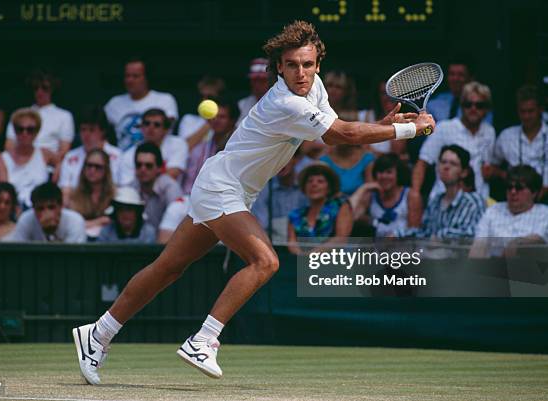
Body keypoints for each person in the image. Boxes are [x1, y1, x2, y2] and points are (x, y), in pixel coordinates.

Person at [72, 20, 435, 385]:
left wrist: (387, 123)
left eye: (307, 64)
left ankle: (98, 334)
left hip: (226, 185)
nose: (301, 72)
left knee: (167, 267)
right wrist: (409, 129)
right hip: (222, 187)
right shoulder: (285, 102)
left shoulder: (314, 88)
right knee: (265, 261)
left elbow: (337, 126)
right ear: (279, 66)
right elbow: (342, 135)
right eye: (292, 65)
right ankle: (204, 339)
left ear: (317, 65)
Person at [412, 81, 496, 202]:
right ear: (461, 106)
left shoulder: (489, 132)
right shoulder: (444, 128)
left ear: (487, 109)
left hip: (478, 202)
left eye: (479, 105)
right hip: (443, 201)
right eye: (468, 104)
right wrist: (415, 194)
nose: (473, 109)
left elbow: (488, 168)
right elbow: (422, 163)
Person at [398, 145, 484, 239]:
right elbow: (425, 233)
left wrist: (440, 236)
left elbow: (473, 233)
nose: (446, 167)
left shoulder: (473, 202)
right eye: (443, 162)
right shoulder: (435, 201)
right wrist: (399, 234)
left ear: (464, 172)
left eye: (453, 164)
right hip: (431, 252)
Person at [470, 165, 548, 258]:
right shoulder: (493, 210)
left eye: (519, 188)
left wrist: (516, 243)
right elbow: (479, 244)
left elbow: (539, 239)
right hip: (491, 267)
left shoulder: (544, 213)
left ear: (534, 192)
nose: (513, 192)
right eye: (509, 187)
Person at [104, 58, 178, 151]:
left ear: (146, 78)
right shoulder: (114, 103)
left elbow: (168, 127)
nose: (130, 80)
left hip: (156, 160)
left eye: (135, 76)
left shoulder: (164, 100)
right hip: (124, 160)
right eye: (127, 76)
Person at [489, 85, 547, 199]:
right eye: (522, 111)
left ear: (541, 109)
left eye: (530, 111)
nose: (526, 116)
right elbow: (492, 167)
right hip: (515, 195)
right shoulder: (507, 136)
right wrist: (505, 175)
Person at [4, 69, 75, 164]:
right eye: (36, 88)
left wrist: (41, 160)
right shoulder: (20, 114)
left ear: (52, 89)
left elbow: (64, 152)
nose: (39, 91)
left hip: (49, 167)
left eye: (45, 88)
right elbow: (9, 146)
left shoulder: (64, 116)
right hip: (19, 164)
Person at [58, 106, 121, 205]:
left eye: (91, 130)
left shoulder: (118, 156)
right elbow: (65, 192)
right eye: (83, 130)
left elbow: (119, 190)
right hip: (77, 207)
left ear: (103, 131)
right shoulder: (70, 157)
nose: (86, 135)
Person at [349, 153, 422, 236]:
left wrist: (395, 235)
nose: (384, 176)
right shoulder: (371, 196)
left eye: (389, 172)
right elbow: (351, 217)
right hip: (377, 247)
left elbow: (414, 230)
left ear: (398, 174)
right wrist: (364, 188)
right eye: (380, 172)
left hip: (405, 247)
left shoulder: (411, 196)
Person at [287, 164, 352, 254]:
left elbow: (341, 239)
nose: (314, 184)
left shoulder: (340, 206)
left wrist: (311, 255)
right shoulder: (296, 214)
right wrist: (302, 257)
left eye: (320, 181)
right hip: (302, 264)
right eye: (309, 181)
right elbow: (291, 242)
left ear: (329, 188)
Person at [182, 99, 239, 194]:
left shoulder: (239, 145)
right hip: (196, 196)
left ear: (232, 121)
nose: (216, 120)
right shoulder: (200, 148)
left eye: (222, 117)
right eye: (214, 116)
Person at [119, 109, 188, 185]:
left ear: (166, 130)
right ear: (141, 127)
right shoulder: (128, 155)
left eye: (157, 125)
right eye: (147, 123)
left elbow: (171, 175)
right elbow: (127, 185)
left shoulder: (178, 144)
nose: (151, 128)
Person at [252, 148, 307, 242]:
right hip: (273, 242)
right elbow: (262, 224)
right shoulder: (262, 187)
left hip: (304, 241)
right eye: (276, 158)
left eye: (285, 157)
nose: (280, 162)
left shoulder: (308, 184)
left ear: (296, 160)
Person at [2, 108, 51, 209]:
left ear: (36, 132)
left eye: (30, 130)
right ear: (15, 131)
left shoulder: (45, 154)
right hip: (11, 210)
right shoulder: (3, 158)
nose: (25, 133)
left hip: (38, 209)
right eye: (20, 129)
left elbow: (63, 163)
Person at [132, 142, 183, 229]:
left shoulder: (170, 187)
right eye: (139, 165)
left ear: (159, 168)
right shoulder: (131, 188)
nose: (142, 169)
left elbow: (178, 223)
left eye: (148, 166)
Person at [13, 182, 85, 243]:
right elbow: (18, 255)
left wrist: (51, 232)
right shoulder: (25, 221)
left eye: (51, 207)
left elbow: (73, 257)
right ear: (33, 209)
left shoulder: (75, 221)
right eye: (40, 208)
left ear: (61, 206)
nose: (46, 213)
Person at [68, 149, 116, 240]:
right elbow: (73, 225)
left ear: (106, 170)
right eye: (89, 165)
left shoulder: (115, 194)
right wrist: (98, 222)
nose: (92, 170)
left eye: (98, 167)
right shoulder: (74, 195)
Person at [177, 75, 226, 140]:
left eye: (210, 97)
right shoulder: (188, 119)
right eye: (202, 96)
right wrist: (209, 122)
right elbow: (185, 148)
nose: (204, 100)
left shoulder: (226, 121)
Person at [237, 58, 270, 124]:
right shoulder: (242, 104)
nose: (257, 84)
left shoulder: (281, 104)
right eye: (255, 80)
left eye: (262, 80)